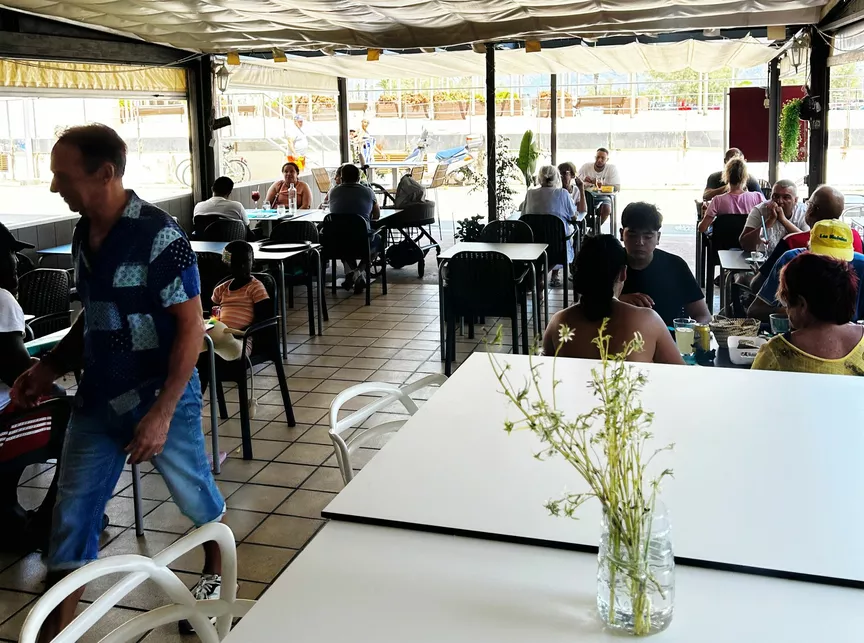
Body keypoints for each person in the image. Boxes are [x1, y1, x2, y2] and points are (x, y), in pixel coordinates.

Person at [11, 124, 225, 640]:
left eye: (63, 175)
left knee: (194, 497)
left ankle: (217, 570)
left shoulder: (160, 236)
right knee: (73, 514)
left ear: (104, 173)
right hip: (98, 401)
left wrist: (164, 412)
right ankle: (58, 630)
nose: (54, 186)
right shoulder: (85, 232)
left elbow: (191, 328)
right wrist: (47, 367)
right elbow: (94, 314)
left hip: (159, 396)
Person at [0, 223, 65, 551]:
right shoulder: (1, 300)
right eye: (9, 254)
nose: (16, 262)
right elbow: (19, 374)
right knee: (70, 415)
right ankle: (49, 523)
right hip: (1, 428)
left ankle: (6, 508)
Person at [544, 235, 683, 365]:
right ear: (623, 273)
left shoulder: (559, 322)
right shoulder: (648, 320)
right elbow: (682, 374)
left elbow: (543, 372)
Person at [752, 253, 864, 375]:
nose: (787, 312)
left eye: (787, 304)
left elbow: (755, 391)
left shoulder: (776, 351)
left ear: (802, 304)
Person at [750, 185, 859, 294]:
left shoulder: (791, 242)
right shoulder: (855, 237)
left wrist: (757, 276)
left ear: (811, 210)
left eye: (808, 204)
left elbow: (758, 286)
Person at [749, 219, 864, 322]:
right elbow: (755, 310)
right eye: (822, 257)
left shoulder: (861, 265)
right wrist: (793, 311)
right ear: (807, 248)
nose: (830, 263)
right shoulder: (792, 262)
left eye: (838, 259)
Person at [619, 202, 711, 326]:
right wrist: (616, 300)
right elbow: (586, 306)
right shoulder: (609, 264)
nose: (639, 242)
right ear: (621, 234)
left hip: (669, 341)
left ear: (658, 238)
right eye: (632, 235)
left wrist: (690, 332)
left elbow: (703, 315)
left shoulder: (675, 266)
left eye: (648, 236)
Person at [203, 241, 272, 362]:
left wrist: (241, 332)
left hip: (243, 339)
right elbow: (215, 316)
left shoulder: (256, 288)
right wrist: (213, 326)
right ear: (228, 265)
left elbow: (263, 317)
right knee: (198, 349)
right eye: (236, 263)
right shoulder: (221, 289)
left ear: (253, 262)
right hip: (220, 338)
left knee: (228, 351)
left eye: (246, 262)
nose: (242, 267)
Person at [327, 163, 381, 294]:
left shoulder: (333, 192)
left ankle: (353, 275)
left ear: (341, 177)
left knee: (344, 238)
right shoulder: (368, 191)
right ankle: (358, 273)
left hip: (337, 243)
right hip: (362, 242)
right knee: (379, 239)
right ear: (358, 177)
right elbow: (377, 215)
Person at [522, 165, 577, 287]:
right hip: (556, 246)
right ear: (557, 177)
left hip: (533, 243)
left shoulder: (530, 194)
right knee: (567, 237)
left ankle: (537, 277)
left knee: (541, 242)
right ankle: (541, 276)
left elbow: (524, 214)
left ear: (539, 178)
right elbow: (574, 217)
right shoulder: (563, 194)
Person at [698, 157, 765, 233]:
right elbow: (767, 223)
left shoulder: (717, 201)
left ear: (726, 176)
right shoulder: (758, 198)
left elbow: (702, 228)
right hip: (750, 243)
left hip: (723, 243)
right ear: (745, 177)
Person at [739, 180, 807, 253]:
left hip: (793, 260)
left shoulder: (803, 212)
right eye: (776, 196)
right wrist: (769, 221)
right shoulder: (759, 210)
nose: (780, 201)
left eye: (786, 197)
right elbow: (744, 244)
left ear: (795, 200)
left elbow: (808, 244)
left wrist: (783, 220)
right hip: (762, 258)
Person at [578, 147, 621, 224]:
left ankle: (596, 228)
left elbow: (617, 187)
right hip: (586, 196)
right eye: (598, 157)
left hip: (604, 196)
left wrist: (600, 183)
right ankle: (583, 227)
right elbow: (576, 179)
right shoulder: (586, 167)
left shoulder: (612, 169)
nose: (599, 160)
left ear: (607, 159)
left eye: (603, 158)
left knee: (607, 209)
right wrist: (583, 180)